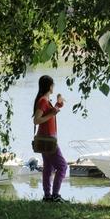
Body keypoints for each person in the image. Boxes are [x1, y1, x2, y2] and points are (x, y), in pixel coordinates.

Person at [33, 75, 68, 203]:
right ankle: (55, 195)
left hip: (45, 139)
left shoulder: (45, 100)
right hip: (47, 140)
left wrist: (58, 105)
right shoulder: (43, 100)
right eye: (53, 85)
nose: (54, 87)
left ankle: (48, 196)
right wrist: (53, 113)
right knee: (62, 166)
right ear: (50, 86)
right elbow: (36, 120)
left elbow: (49, 113)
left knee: (48, 168)